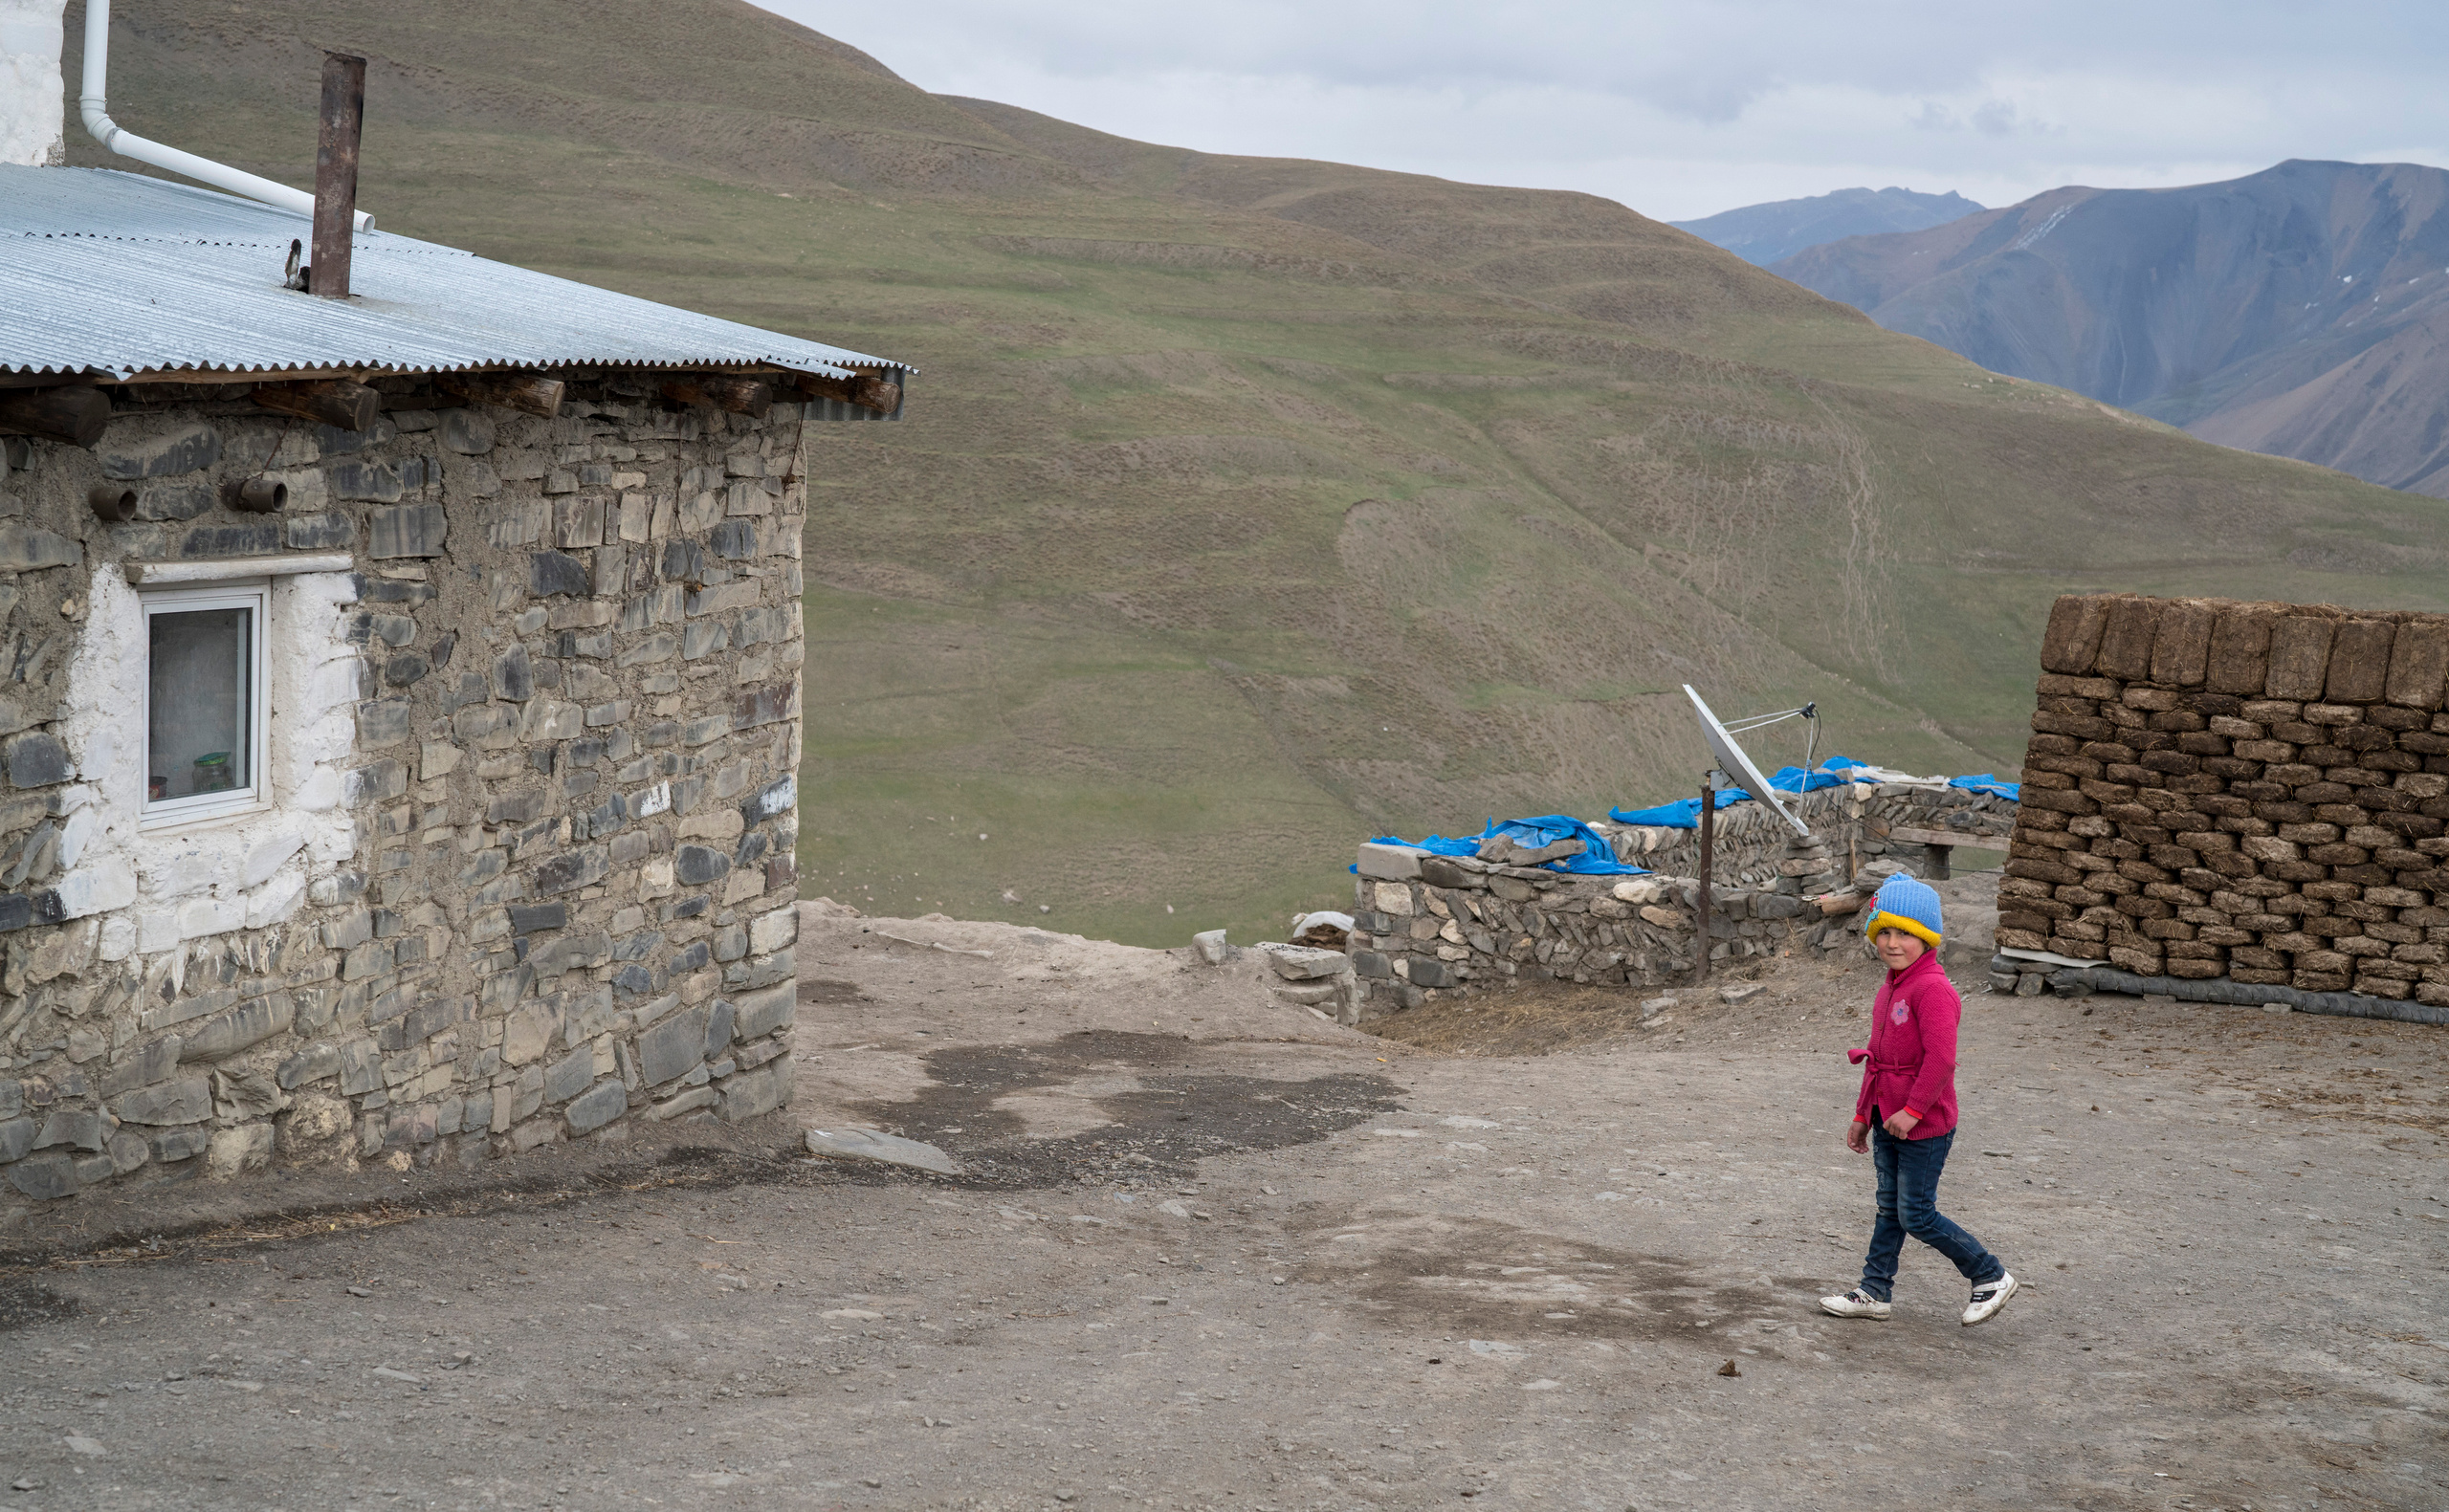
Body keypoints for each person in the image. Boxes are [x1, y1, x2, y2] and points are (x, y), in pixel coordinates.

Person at [1820, 872, 2017, 1326]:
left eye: (1905, 933)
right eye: (1884, 931)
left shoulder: (1933, 990)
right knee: (1890, 1207)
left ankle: (1990, 1274)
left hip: (1923, 1124)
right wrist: (1861, 1115)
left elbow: (1942, 1061)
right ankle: (1874, 1292)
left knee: (1916, 1214)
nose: (1892, 942)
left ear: (1926, 938)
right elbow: (1879, 1060)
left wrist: (1912, 1110)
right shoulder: (1891, 986)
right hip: (1887, 1118)